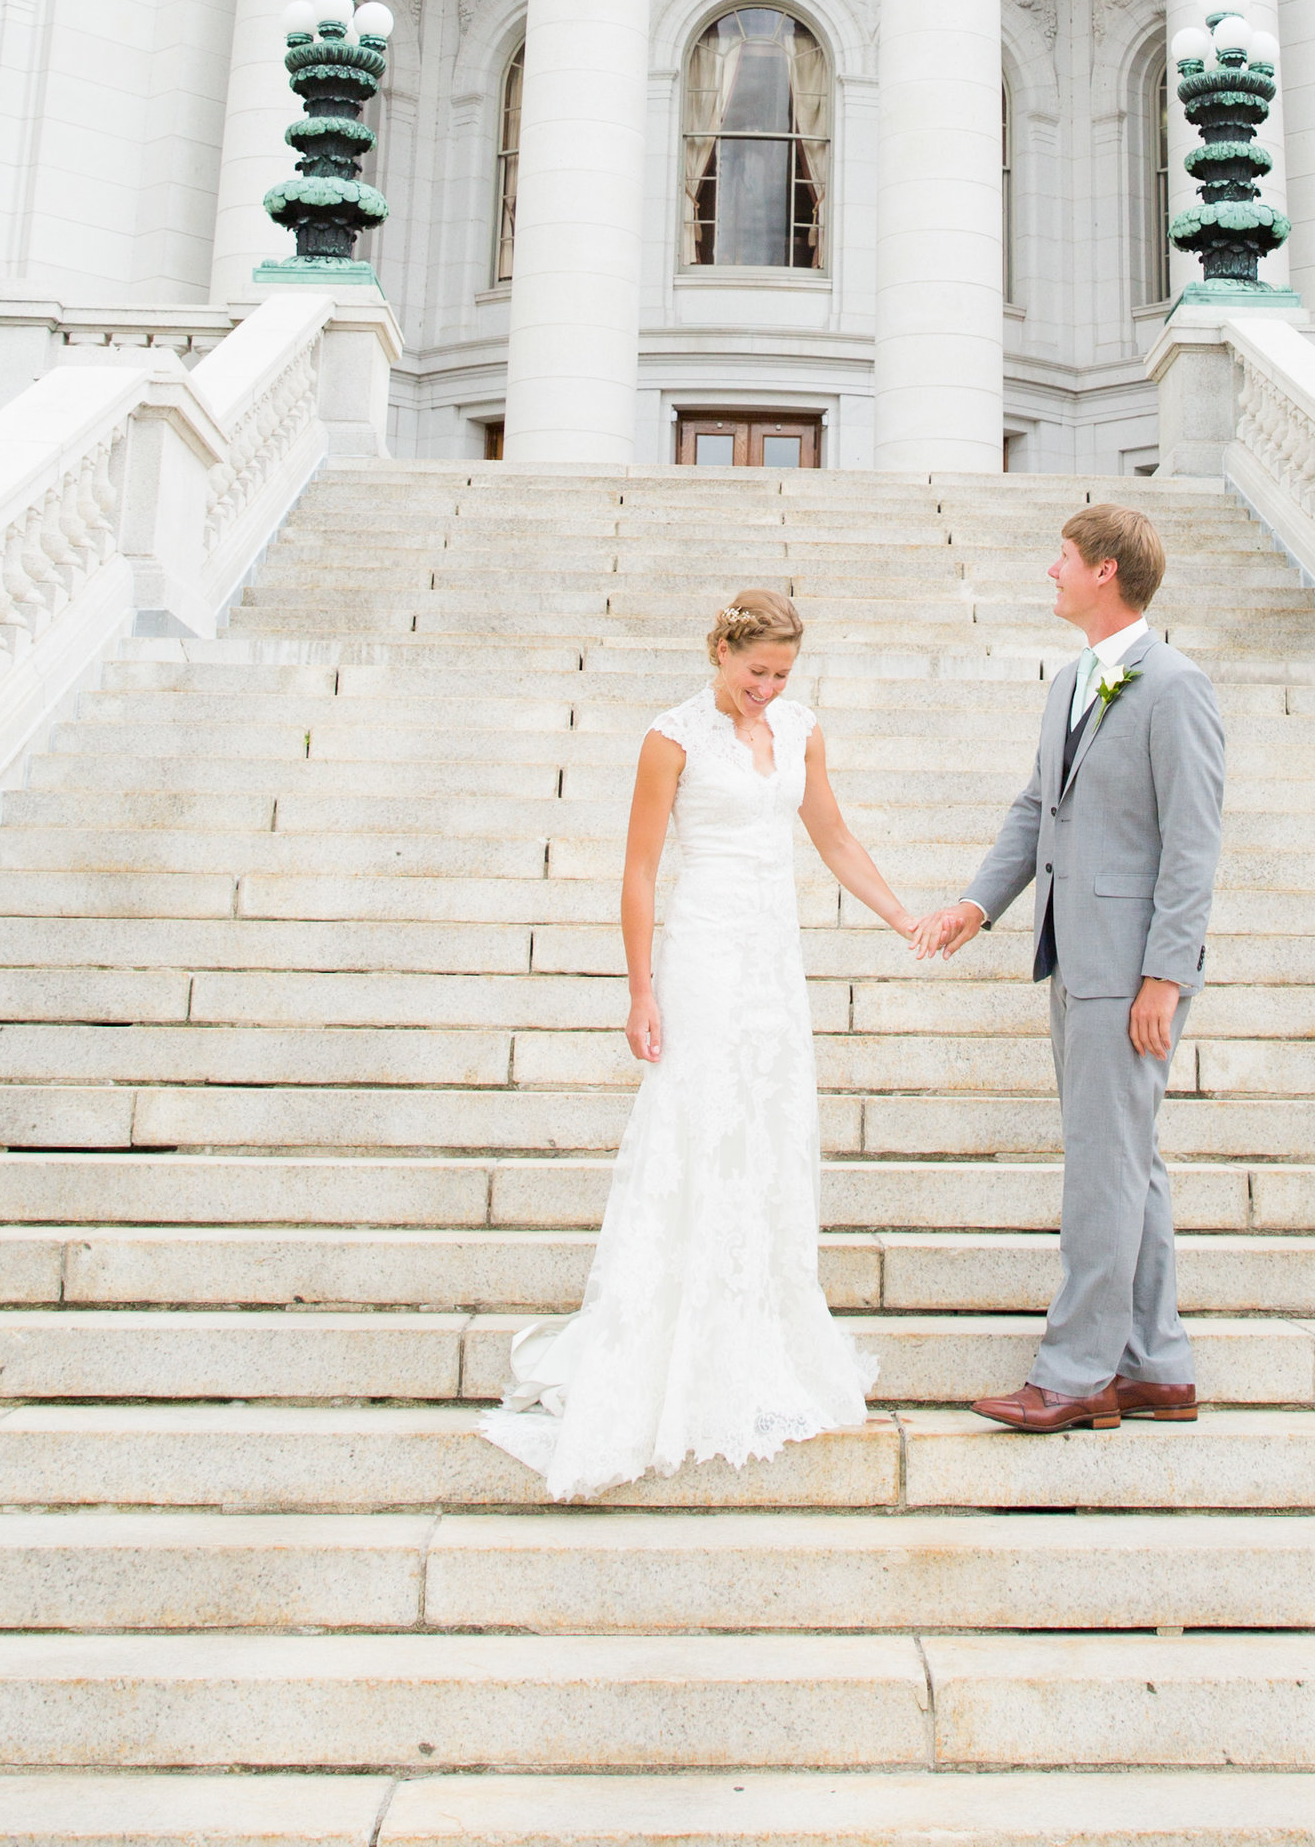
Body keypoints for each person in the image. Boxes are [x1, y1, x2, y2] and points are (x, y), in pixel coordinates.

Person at [483, 586, 920, 1498]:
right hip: (704, 956)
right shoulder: (670, 737)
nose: (768, 688)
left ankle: (756, 1338)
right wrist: (640, 988)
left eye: (782, 674)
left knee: (767, 1130)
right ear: (722, 650)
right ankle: (674, 1349)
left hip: (772, 960)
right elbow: (640, 871)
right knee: (698, 1129)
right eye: (757, 670)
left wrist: (900, 915)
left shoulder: (801, 728)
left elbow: (832, 834)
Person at [914, 502, 1226, 1429]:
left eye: (1062, 557)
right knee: (1129, 1159)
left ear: (1104, 572)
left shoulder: (1176, 686)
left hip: (1130, 971)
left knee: (1103, 1162)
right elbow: (1033, 807)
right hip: (1074, 954)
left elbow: (1194, 846)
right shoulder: (1071, 683)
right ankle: (1155, 1360)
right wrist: (978, 903)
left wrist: (1165, 976)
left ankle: (1077, 1371)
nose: (1050, 571)